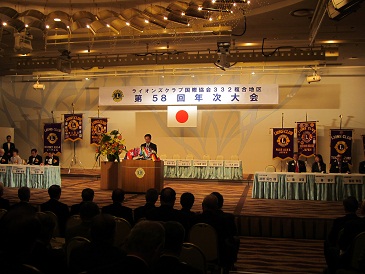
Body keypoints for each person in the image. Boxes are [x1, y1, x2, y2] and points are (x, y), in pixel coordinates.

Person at [324, 196, 360, 273]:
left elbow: (332, 239)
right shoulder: (361, 222)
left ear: (344, 208)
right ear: (357, 208)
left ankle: (332, 268)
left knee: (327, 243)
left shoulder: (339, 222)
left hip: (344, 255)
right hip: (359, 255)